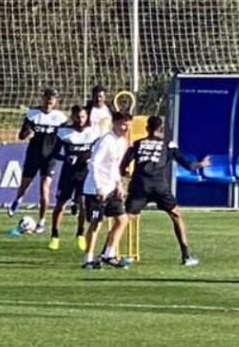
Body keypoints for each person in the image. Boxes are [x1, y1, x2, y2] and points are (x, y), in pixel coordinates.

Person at [120, 114, 210, 266]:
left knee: (124, 219)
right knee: (176, 215)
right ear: (160, 129)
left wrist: (124, 174)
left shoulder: (137, 144)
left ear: (147, 128)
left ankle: (108, 253)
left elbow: (123, 165)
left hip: (140, 185)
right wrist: (201, 164)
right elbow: (187, 165)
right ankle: (186, 256)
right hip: (159, 186)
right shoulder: (169, 145)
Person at [8, 87, 68, 230]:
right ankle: (18, 198)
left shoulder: (60, 118)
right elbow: (21, 135)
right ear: (43, 99)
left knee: (44, 189)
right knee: (24, 185)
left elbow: (65, 136)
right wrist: (27, 133)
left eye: (52, 100)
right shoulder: (33, 114)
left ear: (55, 102)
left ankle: (41, 221)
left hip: (50, 157)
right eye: (47, 98)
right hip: (34, 155)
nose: (49, 102)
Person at [81, 111, 132, 269]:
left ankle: (108, 254)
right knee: (96, 224)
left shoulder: (122, 142)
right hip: (96, 189)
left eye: (128, 125)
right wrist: (99, 187)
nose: (126, 128)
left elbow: (114, 166)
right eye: (124, 124)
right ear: (115, 123)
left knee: (122, 220)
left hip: (111, 189)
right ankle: (88, 259)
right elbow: (93, 164)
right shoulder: (106, 141)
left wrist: (119, 183)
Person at [48, 104, 99, 251]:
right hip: (68, 174)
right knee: (60, 205)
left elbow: (98, 151)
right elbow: (53, 153)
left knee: (82, 205)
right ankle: (55, 235)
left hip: (84, 174)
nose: (81, 120)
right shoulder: (64, 133)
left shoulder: (93, 133)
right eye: (78, 117)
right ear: (72, 117)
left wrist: (92, 159)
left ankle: (80, 234)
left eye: (83, 117)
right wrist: (65, 158)